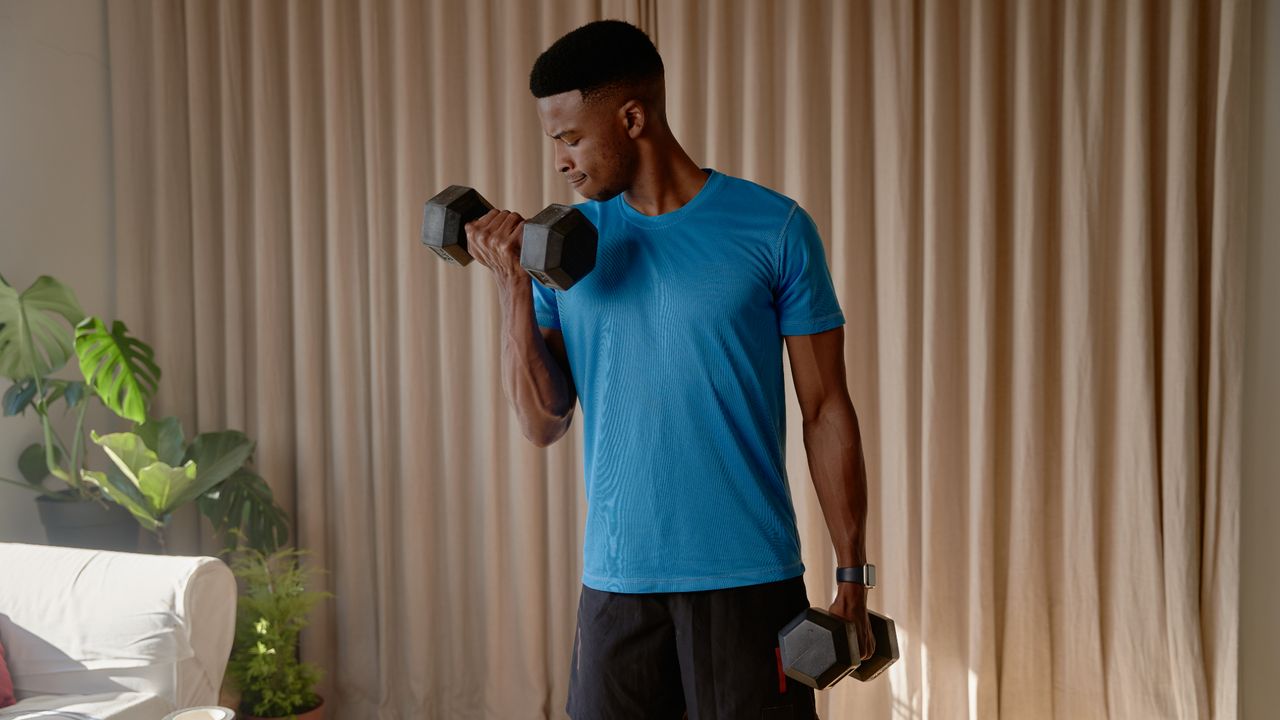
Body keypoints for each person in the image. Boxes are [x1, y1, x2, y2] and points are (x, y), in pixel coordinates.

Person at [463, 19, 875, 720]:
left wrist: (852, 572)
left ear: (632, 117)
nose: (560, 161)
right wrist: (513, 288)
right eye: (552, 142)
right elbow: (541, 423)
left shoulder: (773, 228)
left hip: (749, 578)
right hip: (617, 585)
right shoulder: (568, 248)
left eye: (569, 137)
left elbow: (825, 408)